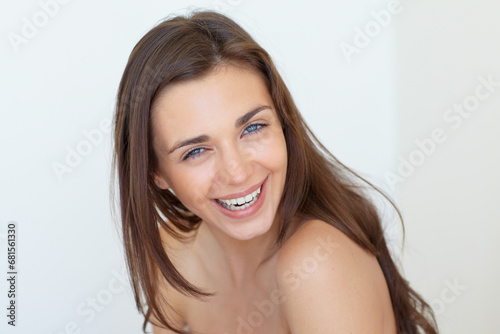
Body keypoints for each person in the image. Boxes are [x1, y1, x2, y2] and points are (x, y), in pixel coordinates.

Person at [112, 10, 438, 334]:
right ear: (155, 172)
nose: (237, 172)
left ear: (282, 123)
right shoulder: (171, 255)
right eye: (196, 151)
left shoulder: (316, 265)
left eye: (253, 128)